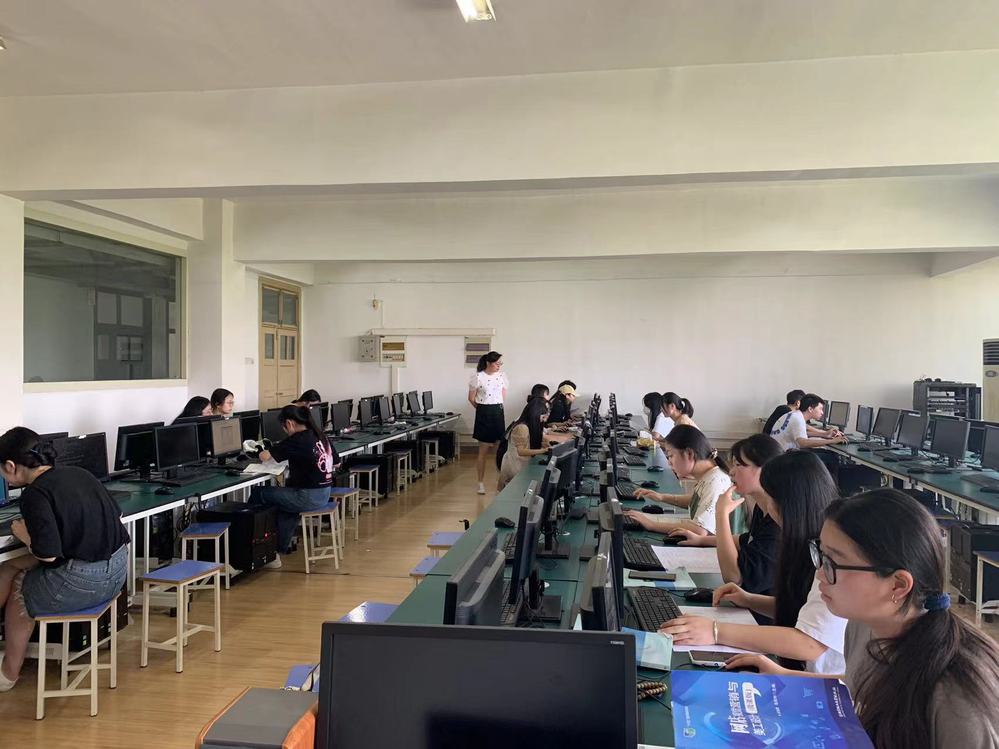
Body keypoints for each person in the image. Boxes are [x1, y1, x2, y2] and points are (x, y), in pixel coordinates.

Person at [803, 489, 998, 748]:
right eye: (821, 555)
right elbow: (861, 693)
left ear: (898, 585)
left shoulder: (956, 697)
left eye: (832, 563)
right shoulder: (862, 626)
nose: (820, 574)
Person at [660, 451, 847, 675]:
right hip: (800, 670)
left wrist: (715, 631)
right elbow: (802, 609)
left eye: (769, 496)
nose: (767, 505)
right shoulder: (802, 540)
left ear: (787, 503)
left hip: (819, 682)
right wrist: (749, 599)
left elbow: (808, 643)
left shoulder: (829, 554)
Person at [0, 428, 130, 690]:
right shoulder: (80, 473)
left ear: (11, 466)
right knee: (11, 566)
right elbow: (116, 516)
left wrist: (25, 535)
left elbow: (49, 555)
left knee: (19, 590)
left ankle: (7, 675)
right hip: (118, 574)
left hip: (84, 581)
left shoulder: (35, 494)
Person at [668, 434, 783, 599]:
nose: (732, 471)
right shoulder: (763, 507)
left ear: (765, 469)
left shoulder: (778, 522)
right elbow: (747, 539)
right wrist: (701, 541)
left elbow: (734, 577)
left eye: (739, 465)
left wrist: (721, 514)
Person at [249, 405, 339, 568]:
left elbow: (265, 457)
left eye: (284, 428)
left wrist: (257, 449)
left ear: (289, 424)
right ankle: (275, 552)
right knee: (286, 506)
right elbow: (337, 463)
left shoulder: (297, 439)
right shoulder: (320, 435)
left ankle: (249, 546)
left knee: (259, 493)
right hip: (324, 494)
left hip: (307, 497)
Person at [625, 426, 731, 535]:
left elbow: (700, 530)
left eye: (671, 455)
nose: (669, 462)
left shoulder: (715, 481)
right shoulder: (709, 475)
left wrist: (651, 525)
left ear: (689, 454)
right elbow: (697, 501)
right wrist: (662, 497)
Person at [467, 352, 508, 495]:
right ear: (488, 363)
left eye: (500, 363)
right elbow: (471, 398)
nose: (499, 366)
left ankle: (500, 482)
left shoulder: (502, 376)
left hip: (498, 412)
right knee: (483, 450)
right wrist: (482, 410)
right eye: (497, 363)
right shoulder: (478, 377)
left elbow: (503, 395)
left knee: (499, 450)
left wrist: (495, 407)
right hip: (484, 412)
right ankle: (480, 483)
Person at [497, 397, 554, 490]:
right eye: (543, 416)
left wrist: (544, 444)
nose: (545, 420)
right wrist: (543, 450)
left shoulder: (531, 426)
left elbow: (529, 443)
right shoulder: (522, 427)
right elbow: (521, 451)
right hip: (514, 466)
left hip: (521, 464)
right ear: (535, 414)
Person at [770, 393, 846, 452]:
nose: (822, 412)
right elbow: (803, 443)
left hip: (776, 453)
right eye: (820, 409)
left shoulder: (794, 414)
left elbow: (799, 434)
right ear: (810, 409)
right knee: (831, 456)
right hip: (783, 457)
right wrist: (831, 441)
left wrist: (825, 434)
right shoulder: (798, 419)